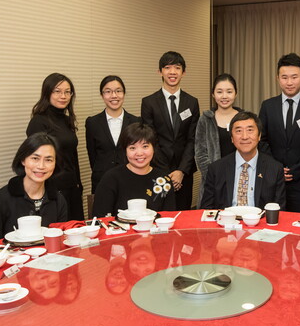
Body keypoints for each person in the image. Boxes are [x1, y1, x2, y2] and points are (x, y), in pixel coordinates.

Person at [259, 53, 300, 213]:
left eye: (294, 77)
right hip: (272, 179)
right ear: (277, 78)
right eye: (284, 77)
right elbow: (261, 140)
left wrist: (297, 170)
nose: (289, 82)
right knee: (272, 227)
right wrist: (277, 168)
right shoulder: (267, 106)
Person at [0, 133, 68, 243]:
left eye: (48, 160)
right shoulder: (0, 198)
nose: (41, 166)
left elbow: (60, 242)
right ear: (23, 160)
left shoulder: (58, 200)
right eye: (35, 158)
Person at [141, 51, 200, 210]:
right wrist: (166, 173)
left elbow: (192, 139)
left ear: (183, 72)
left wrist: (181, 171)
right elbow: (150, 140)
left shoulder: (192, 103)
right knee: (158, 215)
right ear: (160, 71)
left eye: (177, 68)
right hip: (157, 170)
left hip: (184, 174)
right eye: (167, 67)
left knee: (183, 215)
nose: (172, 72)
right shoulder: (149, 103)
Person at [200, 111, 286, 209]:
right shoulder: (216, 169)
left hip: (260, 222)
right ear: (232, 138)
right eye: (239, 131)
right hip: (226, 222)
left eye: (250, 130)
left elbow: (280, 211)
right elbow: (207, 209)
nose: (244, 137)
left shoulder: (275, 169)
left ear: (259, 136)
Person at [26, 73, 83, 220]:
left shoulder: (66, 120)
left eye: (67, 92)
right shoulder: (39, 122)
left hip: (72, 187)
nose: (63, 96)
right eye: (57, 91)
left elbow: (72, 155)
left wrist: (78, 184)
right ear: (47, 93)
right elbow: (36, 162)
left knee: (75, 233)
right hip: (52, 190)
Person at [92, 122, 175, 217]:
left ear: (154, 148)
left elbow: (169, 219)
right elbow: (100, 219)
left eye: (145, 146)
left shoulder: (164, 181)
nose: (139, 153)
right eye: (132, 148)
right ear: (125, 151)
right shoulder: (111, 179)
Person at [85, 75, 140, 193]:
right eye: (108, 91)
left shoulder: (136, 122)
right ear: (102, 95)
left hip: (131, 178)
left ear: (124, 94)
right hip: (102, 180)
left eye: (118, 91)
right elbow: (92, 155)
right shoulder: (92, 122)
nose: (114, 96)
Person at [195, 73, 240, 205]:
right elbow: (200, 154)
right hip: (212, 182)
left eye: (229, 91)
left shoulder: (244, 118)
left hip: (240, 180)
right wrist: (216, 177)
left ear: (235, 93)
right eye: (219, 92)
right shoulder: (205, 119)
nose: (224, 96)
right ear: (213, 94)